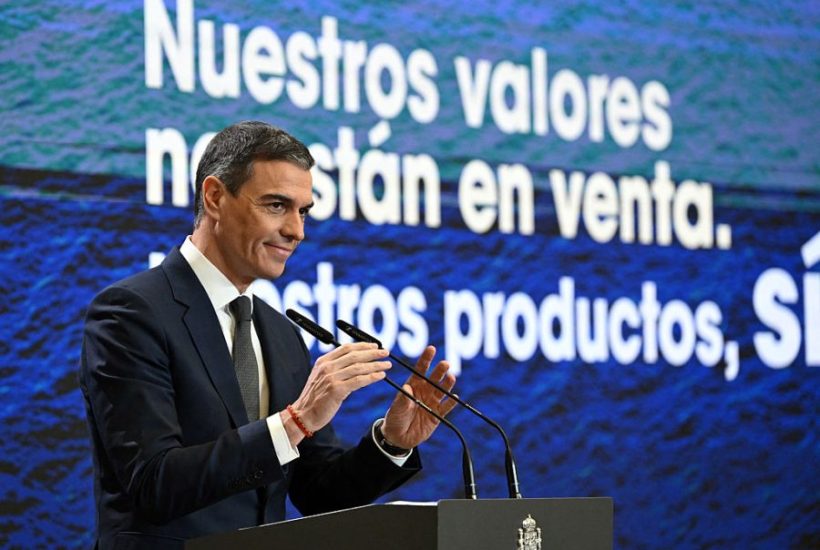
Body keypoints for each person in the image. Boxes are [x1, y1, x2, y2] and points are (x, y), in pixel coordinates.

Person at [80, 121, 457, 549]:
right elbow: (154, 483)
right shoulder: (131, 313)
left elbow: (317, 494)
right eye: (277, 205)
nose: (297, 231)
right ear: (215, 197)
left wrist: (390, 442)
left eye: (303, 211)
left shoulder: (280, 334)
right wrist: (295, 421)